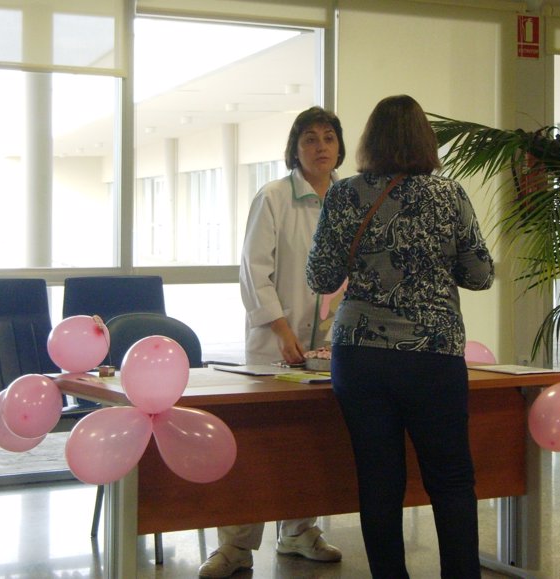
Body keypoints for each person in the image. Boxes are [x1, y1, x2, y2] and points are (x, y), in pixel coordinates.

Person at [306, 95, 494, 579]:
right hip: (432, 354)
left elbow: (322, 276)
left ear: (368, 141)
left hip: (360, 356)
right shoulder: (449, 195)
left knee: (379, 478)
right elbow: (478, 275)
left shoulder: (344, 195)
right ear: (425, 141)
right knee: (451, 479)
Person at [198, 106, 346, 578]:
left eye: (328, 137)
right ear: (295, 148)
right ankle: (237, 547)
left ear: (340, 146)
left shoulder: (348, 198)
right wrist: (281, 330)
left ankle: (299, 530)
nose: (320, 146)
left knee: (309, 441)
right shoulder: (274, 197)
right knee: (258, 446)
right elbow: (254, 272)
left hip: (329, 345)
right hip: (274, 344)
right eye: (310, 139)